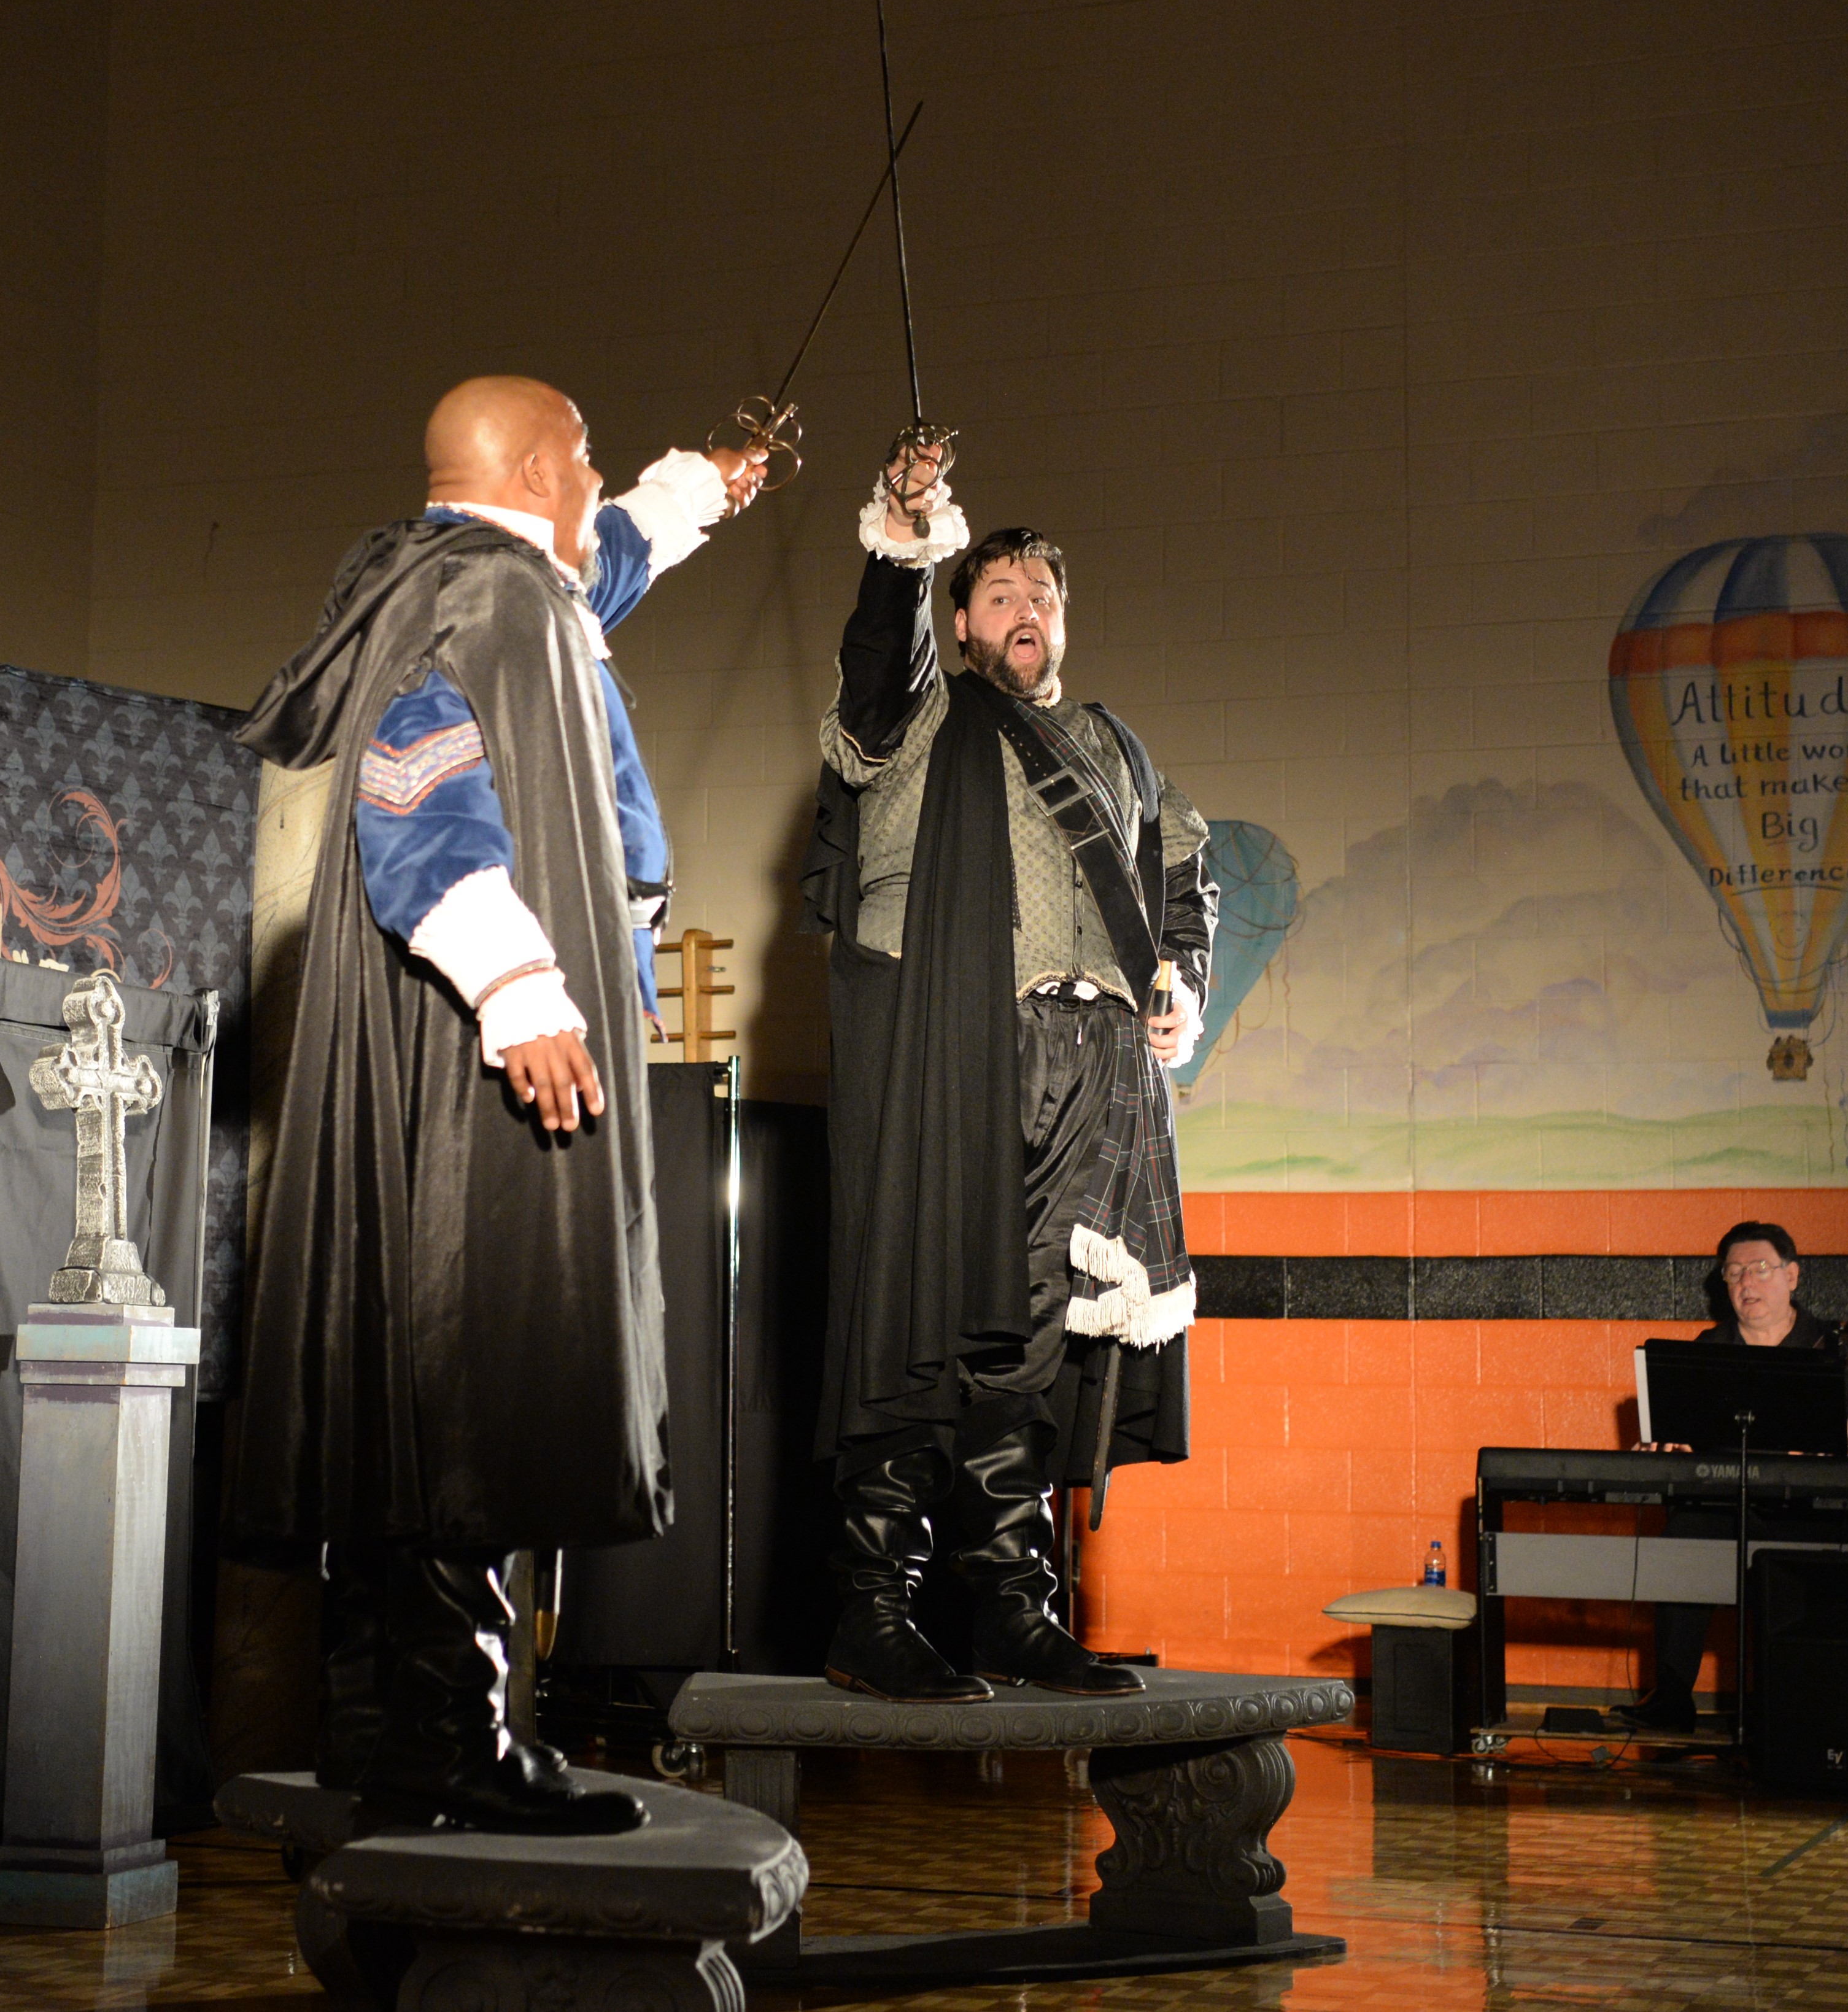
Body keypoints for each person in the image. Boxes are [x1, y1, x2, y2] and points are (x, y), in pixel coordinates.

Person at [228, 376, 760, 1832]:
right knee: (485, 1374)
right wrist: (521, 990)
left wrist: (703, 485)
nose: (598, 478)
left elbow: (608, 568)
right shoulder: (496, 601)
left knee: (421, 1371)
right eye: (587, 456)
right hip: (487, 1047)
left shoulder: (473, 580)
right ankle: (460, 1739)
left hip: (434, 1046)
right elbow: (418, 784)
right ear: (537, 468)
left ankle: (374, 1725)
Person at [803, 440, 1218, 1703]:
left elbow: (1184, 876)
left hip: (1097, 1064)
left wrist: (1181, 991)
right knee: (924, 1314)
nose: (1027, 611)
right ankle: (871, 1609)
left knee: (1032, 1350)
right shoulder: (916, 710)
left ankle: (1014, 1611)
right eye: (999, 596)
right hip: (955, 1054)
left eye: (1044, 596)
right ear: (958, 618)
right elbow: (878, 654)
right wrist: (906, 537)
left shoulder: (1115, 744)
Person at [1616, 1219, 1848, 1734]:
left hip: (1807, 1507)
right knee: (1683, 1535)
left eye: (1760, 1268)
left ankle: (1822, 1710)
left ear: (1792, 1275)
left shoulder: (1829, 1344)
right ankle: (1673, 1696)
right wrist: (1669, 1442)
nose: (1747, 1282)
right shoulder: (1709, 1345)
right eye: (1735, 1272)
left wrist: (1835, 1439)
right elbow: (1681, 1431)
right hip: (1726, 1506)